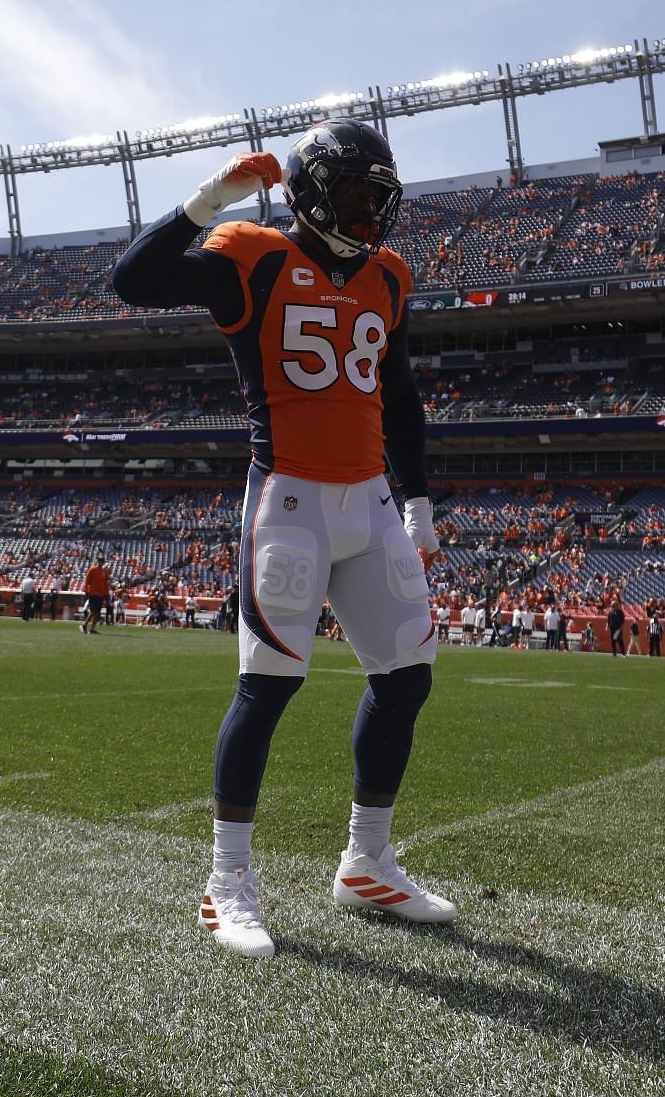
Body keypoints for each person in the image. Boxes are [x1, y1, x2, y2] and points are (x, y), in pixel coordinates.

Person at [112, 120, 452, 960]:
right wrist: (206, 202)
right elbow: (135, 281)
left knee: (407, 677)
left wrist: (418, 501)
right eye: (357, 194)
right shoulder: (252, 254)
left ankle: (367, 863)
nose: (372, 214)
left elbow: (400, 397)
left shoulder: (389, 277)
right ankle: (226, 883)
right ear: (310, 189)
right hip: (290, 498)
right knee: (268, 687)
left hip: (371, 502)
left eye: (382, 197)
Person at [81, 557, 110, 634]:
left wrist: (107, 593)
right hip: (93, 593)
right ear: (98, 562)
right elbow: (87, 581)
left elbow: (105, 584)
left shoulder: (104, 571)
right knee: (93, 611)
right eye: (100, 561)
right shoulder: (92, 570)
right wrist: (86, 590)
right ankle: (84, 625)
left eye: (102, 561)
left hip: (101, 594)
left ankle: (92, 628)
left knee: (97, 612)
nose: (101, 563)